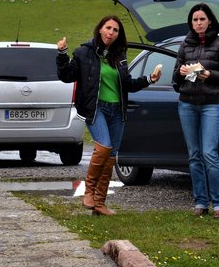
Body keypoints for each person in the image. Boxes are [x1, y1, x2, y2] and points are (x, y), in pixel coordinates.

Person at [56, 15, 162, 216]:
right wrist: (61, 53)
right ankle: (89, 192)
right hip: (96, 108)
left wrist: (149, 79)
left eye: (115, 30)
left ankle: (100, 203)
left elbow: (127, 83)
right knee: (103, 147)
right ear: (100, 29)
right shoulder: (83, 52)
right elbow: (66, 76)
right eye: (108, 28)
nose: (111, 33)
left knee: (111, 156)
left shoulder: (119, 55)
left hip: (117, 111)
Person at [173, 3, 219, 219]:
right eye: (194, 20)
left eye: (202, 19)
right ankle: (200, 202)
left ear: (210, 20)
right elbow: (175, 81)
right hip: (187, 104)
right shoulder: (185, 45)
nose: (198, 23)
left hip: (211, 104)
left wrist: (210, 75)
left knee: (209, 153)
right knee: (194, 155)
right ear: (191, 23)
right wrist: (182, 73)